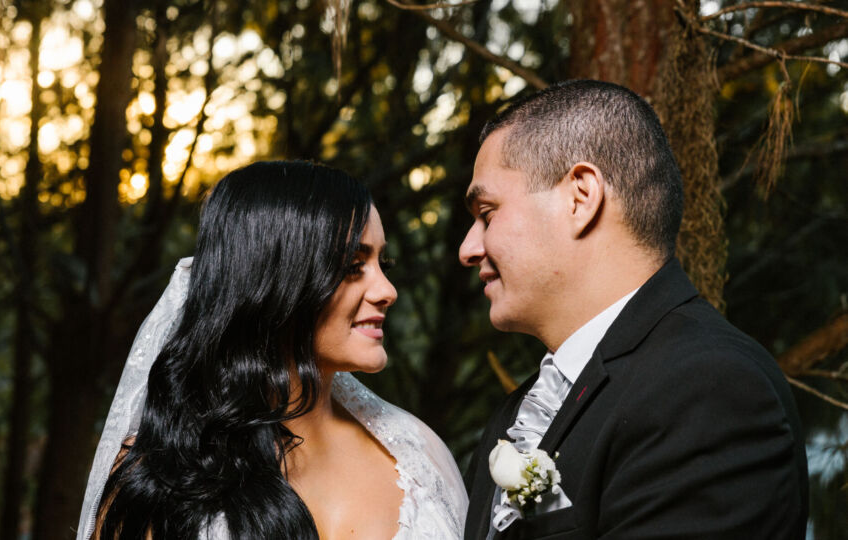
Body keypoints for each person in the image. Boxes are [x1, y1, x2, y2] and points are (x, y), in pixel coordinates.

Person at [458, 79, 808, 539]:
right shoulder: (518, 413)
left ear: (581, 198)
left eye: (487, 213)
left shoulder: (709, 389)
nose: (468, 248)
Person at [76, 161, 468, 540]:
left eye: (384, 262)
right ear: (275, 281)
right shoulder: (157, 476)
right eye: (353, 266)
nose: (387, 291)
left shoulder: (418, 455)